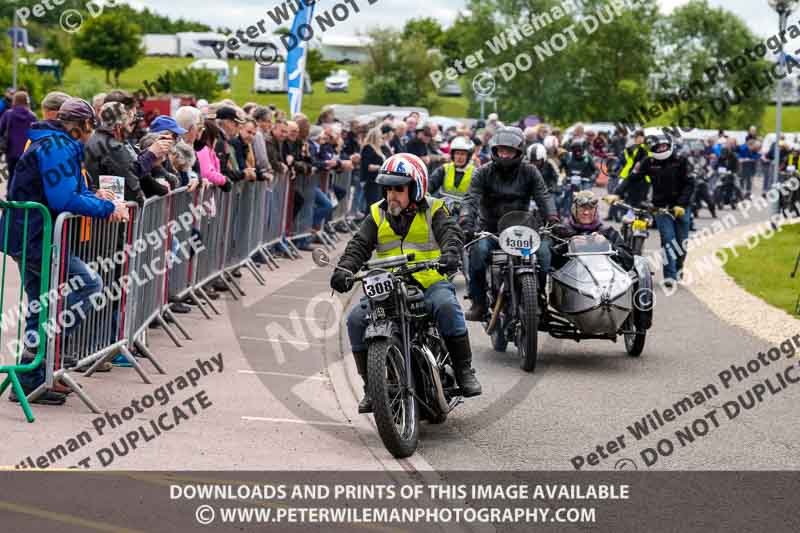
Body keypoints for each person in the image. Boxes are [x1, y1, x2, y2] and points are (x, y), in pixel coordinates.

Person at [330, 153, 481, 413]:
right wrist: (344, 270)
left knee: (447, 306)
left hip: (428, 281)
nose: (392, 195)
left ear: (416, 187)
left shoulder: (434, 208)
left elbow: (451, 235)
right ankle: (371, 387)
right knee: (355, 319)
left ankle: (463, 369)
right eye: (388, 189)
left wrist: (450, 255)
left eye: (398, 189)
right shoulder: (377, 213)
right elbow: (358, 246)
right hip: (387, 285)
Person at [1, 97, 129, 404]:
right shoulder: (57, 146)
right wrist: (107, 207)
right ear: (81, 125)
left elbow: (70, 192)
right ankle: (46, 360)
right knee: (88, 285)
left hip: (31, 236)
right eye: (89, 127)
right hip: (35, 238)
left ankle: (36, 375)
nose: (90, 133)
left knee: (39, 304)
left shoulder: (57, 143)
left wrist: (95, 195)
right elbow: (62, 200)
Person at [461, 126, 558, 320]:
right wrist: (466, 221)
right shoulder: (483, 172)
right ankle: (479, 302)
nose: (504, 155)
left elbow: (543, 195)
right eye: (501, 150)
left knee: (544, 254)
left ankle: (537, 297)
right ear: (495, 150)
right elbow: (470, 199)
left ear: (519, 151)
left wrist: (553, 217)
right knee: (478, 253)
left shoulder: (530, 171)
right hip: (490, 231)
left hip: (522, 230)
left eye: (509, 150)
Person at [610, 134, 694, 288]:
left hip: (682, 208)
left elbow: (690, 184)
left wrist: (681, 204)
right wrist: (617, 193)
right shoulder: (648, 162)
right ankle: (670, 277)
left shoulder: (681, 160)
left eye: (664, 146)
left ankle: (678, 268)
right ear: (653, 148)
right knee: (668, 241)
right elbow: (632, 177)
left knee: (682, 243)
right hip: (661, 208)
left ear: (669, 145)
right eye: (658, 146)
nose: (661, 148)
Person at [546, 191, 633, 272]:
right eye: (582, 208)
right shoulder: (561, 231)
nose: (586, 212)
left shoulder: (607, 232)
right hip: (569, 282)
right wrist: (568, 245)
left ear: (595, 210)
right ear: (574, 209)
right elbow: (548, 262)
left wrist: (608, 244)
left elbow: (629, 262)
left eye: (591, 208)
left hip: (602, 281)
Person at [0, 91, 37, 185]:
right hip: (27, 153)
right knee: (24, 178)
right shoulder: (32, 116)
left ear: (14, 101)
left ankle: (10, 197)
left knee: (12, 175)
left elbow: (1, 129)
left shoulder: (8, 114)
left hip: (11, 152)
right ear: (26, 101)